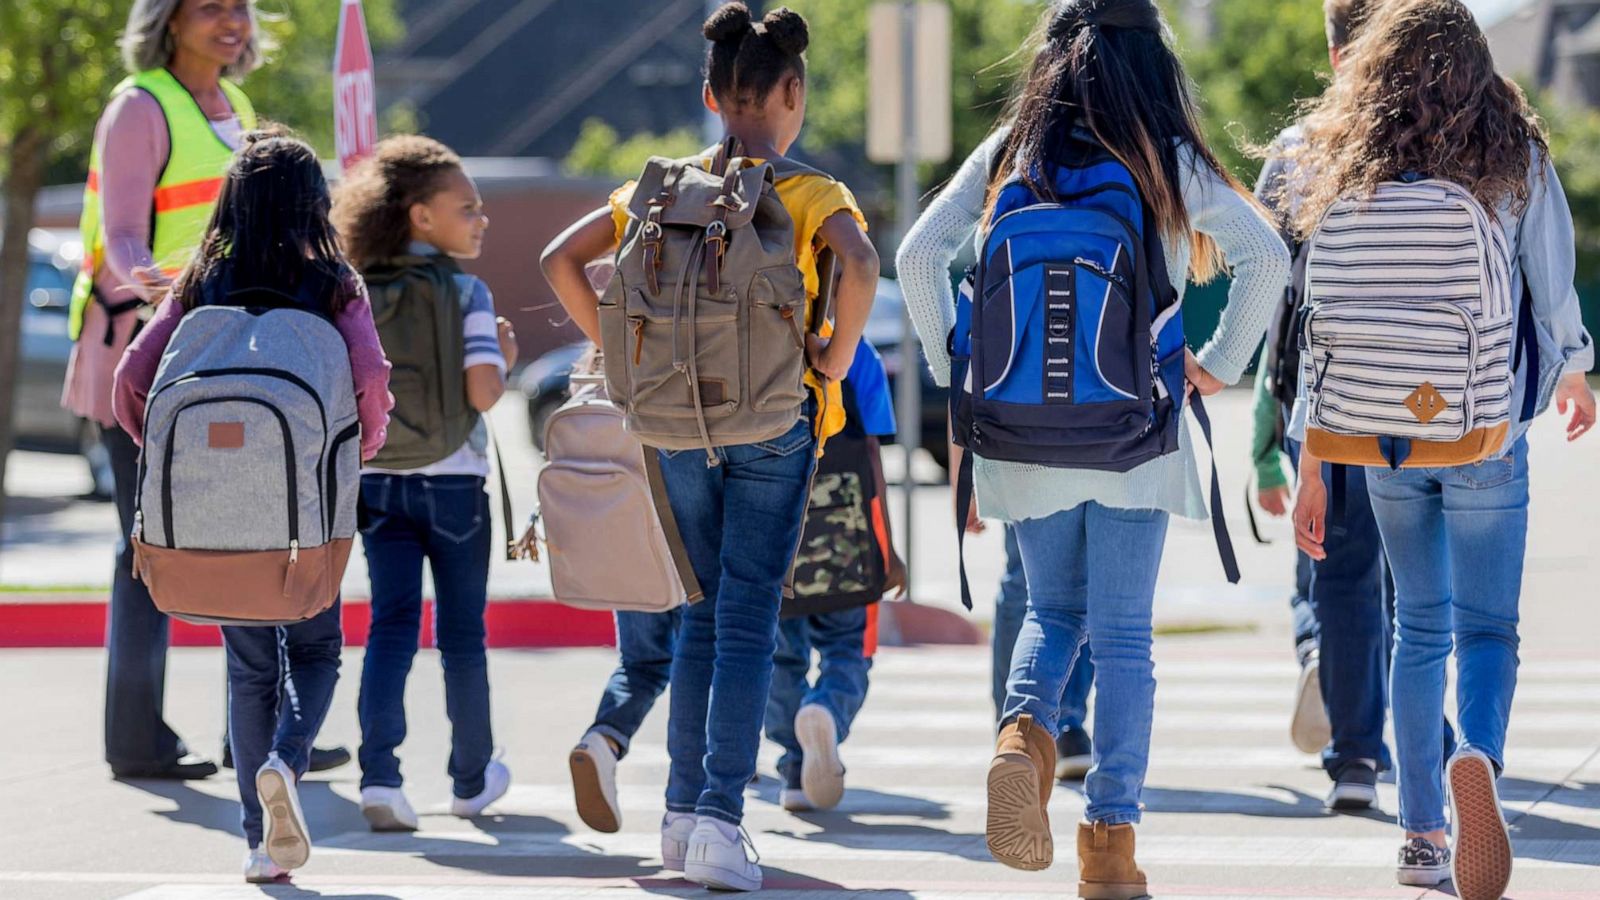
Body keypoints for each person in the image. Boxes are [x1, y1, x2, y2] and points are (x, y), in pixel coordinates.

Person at [896, 0, 1289, 894]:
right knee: (1123, 640)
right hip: (1134, 433)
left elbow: (919, 259)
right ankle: (1109, 851)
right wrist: (1219, 365)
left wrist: (960, 360)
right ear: (1149, 63)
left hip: (1021, 433)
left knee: (1050, 612)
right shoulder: (1160, 154)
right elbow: (1265, 257)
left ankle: (1021, 737)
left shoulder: (1010, 155)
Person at [542, 4, 878, 889]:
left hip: (673, 425)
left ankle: (683, 821)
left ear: (711, 96)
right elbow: (864, 264)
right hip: (774, 421)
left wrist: (622, 360)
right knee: (748, 618)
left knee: (694, 612)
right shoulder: (809, 192)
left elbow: (557, 260)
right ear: (792, 96)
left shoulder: (659, 190)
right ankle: (724, 823)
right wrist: (833, 358)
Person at [1287, 1, 1595, 896]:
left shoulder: (1352, 164)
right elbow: (1553, 281)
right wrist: (1572, 372)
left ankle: (1422, 834)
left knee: (1415, 626)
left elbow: (1321, 331)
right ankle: (1481, 759)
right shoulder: (1514, 153)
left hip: (1382, 438)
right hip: (1482, 424)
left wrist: (1314, 460)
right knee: (1487, 627)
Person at [112, 132, 393, 883]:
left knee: (248, 672)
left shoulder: (199, 282)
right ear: (315, 204)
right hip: (308, 509)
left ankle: (256, 845)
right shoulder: (335, 285)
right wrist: (355, 455)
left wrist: (174, 459)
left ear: (229, 201)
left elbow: (129, 386)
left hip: (214, 512)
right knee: (318, 649)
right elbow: (369, 383)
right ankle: (286, 760)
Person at [331, 135, 519, 831]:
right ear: (420, 217)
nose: (481, 219)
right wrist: (503, 354)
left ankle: (379, 776)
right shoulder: (467, 291)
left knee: (390, 628)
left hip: (377, 482)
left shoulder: (353, 291)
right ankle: (470, 781)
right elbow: (485, 394)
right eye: (466, 208)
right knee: (462, 636)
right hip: (454, 486)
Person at [1248, 0, 1395, 810]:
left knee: (1337, 578)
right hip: (1431, 403)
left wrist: (1265, 433)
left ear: (1334, 53)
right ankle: (1430, 738)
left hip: (1327, 403)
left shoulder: (1302, 150)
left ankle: (1355, 763)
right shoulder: (1442, 140)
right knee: (1414, 581)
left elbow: (1270, 290)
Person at [766, 340, 903, 813]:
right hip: (846, 529)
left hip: (774, 527)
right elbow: (871, 452)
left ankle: (793, 767)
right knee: (850, 650)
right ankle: (826, 709)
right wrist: (890, 552)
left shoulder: (757, 335)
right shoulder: (858, 353)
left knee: (779, 658)